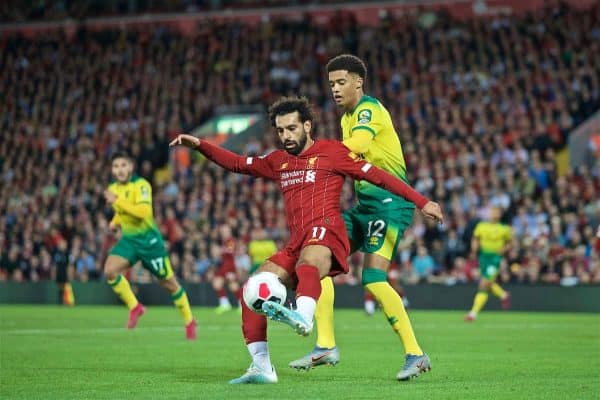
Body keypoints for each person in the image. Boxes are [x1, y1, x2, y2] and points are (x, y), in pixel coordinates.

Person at [170, 96, 443, 384]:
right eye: (280, 130)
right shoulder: (278, 161)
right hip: (299, 240)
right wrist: (200, 145)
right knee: (252, 289)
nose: (286, 136)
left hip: (327, 231)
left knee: (310, 261)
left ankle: (303, 315)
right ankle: (262, 366)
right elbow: (237, 163)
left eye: (291, 128)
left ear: (307, 126)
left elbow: (379, 177)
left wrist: (422, 201)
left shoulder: (333, 152)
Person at [289, 54, 431, 381]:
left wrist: (318, 153)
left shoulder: (369, 110)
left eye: (341, 82)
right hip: (364, 205)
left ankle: (416, 354)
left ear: (358, 82)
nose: (335, 90)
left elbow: (360, 144)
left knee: (373, 279)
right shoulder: (344, 119)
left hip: (390, 203)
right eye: (331, 84)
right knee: (320, 258)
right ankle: (325, 345)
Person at [103, 152, 197, 340]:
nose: (120, 170)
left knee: (169, 284)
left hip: (149, 242)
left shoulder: (142, 185)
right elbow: (122, 212)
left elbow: (143, 212)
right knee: (110, 271)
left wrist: (117, 202)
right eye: (116, 166)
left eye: (123, 165)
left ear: (130, 167)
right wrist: (115, 222)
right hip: (129, 241)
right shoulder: (113, 188)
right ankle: (135, 307)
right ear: (112, 171)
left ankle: (189, 320)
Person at [465, 206, 512, 321]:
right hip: (483, 258)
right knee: (487, 284)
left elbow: (510, 243)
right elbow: (475, 238)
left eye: (496, 211)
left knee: (483, 284)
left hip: (495, 259)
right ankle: (503, 295)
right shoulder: (481, 226)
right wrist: (474, 247)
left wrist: (504, 249)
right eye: (492, 211)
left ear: (500, 214)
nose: (493, 213)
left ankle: (473, 314)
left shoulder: (504, 229)